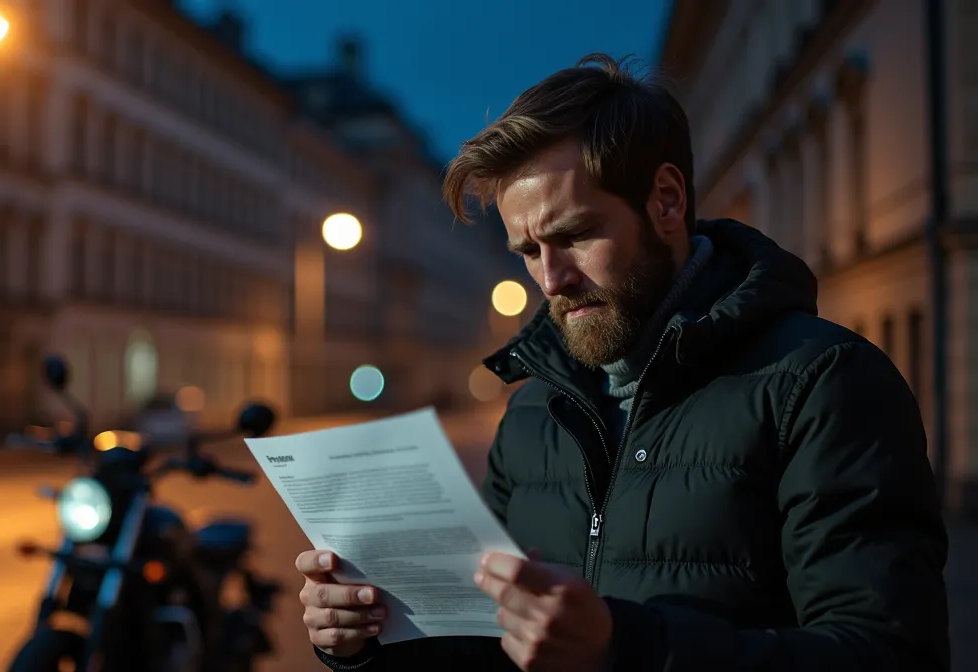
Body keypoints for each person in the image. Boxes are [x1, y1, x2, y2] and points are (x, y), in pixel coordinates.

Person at [295, 53, 950, 671]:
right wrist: (370, 638)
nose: (551, 278)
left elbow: (889, 654)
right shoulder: (533, 409)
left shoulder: (824, 381)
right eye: (528, 251)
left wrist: (624, 648)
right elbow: (494, 645)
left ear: (666, 200)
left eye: (575, 235)